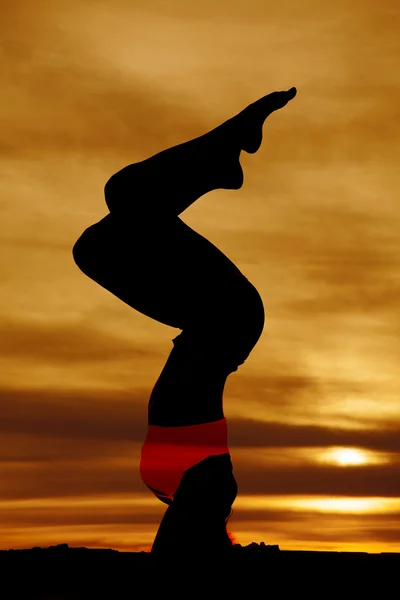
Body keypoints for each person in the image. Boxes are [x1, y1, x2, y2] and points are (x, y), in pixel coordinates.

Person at [72, 87, 297, 556]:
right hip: (224, 318)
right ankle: (221, 154)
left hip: (211, 322)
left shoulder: (183, 486)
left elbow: (176, 545)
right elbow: (194, 533)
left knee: (101, 236)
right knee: (125, 199)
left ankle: (220, 157)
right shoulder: (208, 480)